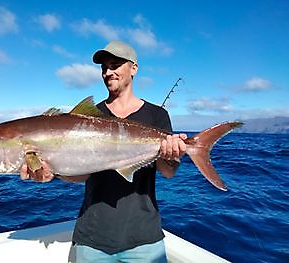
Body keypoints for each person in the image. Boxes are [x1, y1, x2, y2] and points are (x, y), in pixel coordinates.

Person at [21, 40, 187, 262]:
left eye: (115, 65)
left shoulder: (156, 116)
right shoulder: (90, 115)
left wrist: (171, 153)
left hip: (145, 238)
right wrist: (54, 172)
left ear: (134, 68)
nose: (108, 72)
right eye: (104, 67)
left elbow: (168, 172)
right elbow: (81, 174)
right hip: (93, 238)